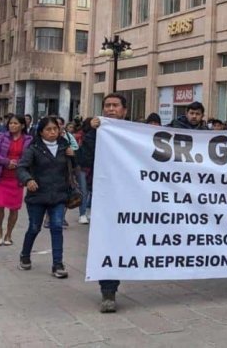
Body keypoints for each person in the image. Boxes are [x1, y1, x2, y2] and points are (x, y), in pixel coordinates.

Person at [16, 116, 76, 279]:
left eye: (55, 129)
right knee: (34, 227)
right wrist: (28, 180)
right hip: (38, 195)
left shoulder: (65, 147)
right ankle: (25, 255)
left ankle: (58, 264)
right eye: (48, 129)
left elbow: (77, 167)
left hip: (59, 195)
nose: (52, 132)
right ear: (41, 132)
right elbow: (22, 167)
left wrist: (73, 156)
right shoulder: (34, 148)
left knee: (56, 227)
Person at [96, 94, 129, 313]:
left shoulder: (136, 133)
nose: (110, 109)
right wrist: (91, 132)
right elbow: (83, 159)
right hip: (105, 197)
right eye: (106, 105)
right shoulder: (96, 131)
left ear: (124, 110)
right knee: (108, 242)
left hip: (132, 196)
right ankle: (108, 291)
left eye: (115, 105)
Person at [0, 114, 32, 246]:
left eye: (16, 123)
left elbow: (30, 157)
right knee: (0, 205)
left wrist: (18, 163)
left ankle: (9, 234)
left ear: (22, 125)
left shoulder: (29, 139)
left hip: (17, 177)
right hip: (1, 176)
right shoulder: (2, 137)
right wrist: (6, 162)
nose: (12, 125)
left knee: (14, 207)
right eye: (11, 123)